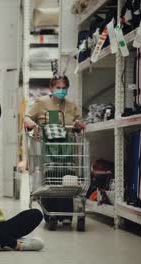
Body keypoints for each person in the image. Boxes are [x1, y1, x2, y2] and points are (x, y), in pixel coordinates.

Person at [24, 75, 85, 225]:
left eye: (64, 88)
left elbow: (78, 121)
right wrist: (32, 124)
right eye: (58, 87)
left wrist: (79, 125)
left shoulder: (71, 105)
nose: (61, 90)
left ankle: (66, 215)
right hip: (47, 149)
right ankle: (50, 213)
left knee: (67, 178)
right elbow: (26, 118)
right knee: (50, 177)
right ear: (51, 88)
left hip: (67, 150)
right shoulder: (41, 103)